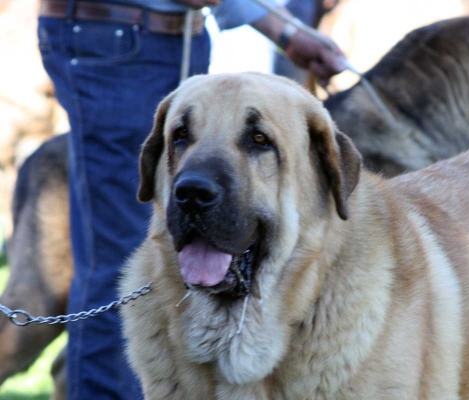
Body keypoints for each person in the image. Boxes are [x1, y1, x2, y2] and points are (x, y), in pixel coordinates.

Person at [36, 0, 345, 398]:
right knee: (122, 263)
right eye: (183, 137)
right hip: (116, 40)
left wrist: (285, 32)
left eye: (258, 141)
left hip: (174, 37)